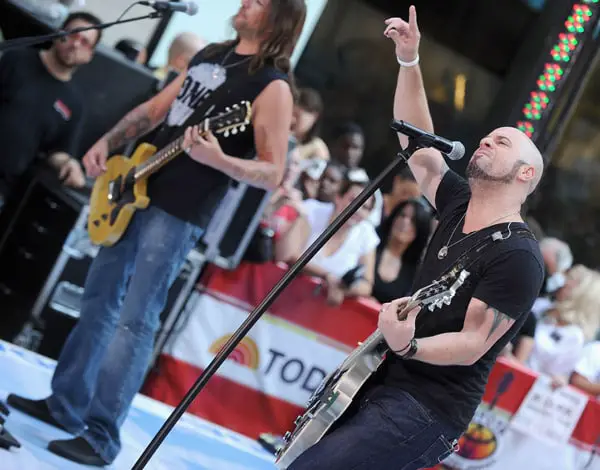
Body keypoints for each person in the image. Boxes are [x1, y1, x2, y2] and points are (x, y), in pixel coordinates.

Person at [7, 0, 306, 466]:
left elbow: (272, 171)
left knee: (135, 318)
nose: (246, 2)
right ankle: (66, 404)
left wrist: (220, 160)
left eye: (260, 1)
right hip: (136, 185)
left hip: (180, 210)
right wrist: (108, 142)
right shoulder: (212, 54)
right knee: (98, 299)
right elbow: (155, 110)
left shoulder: (272, 87)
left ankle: (101, 435)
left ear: (279, 19)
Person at [287, 6, 545, 469]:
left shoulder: (519, 255)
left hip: (428, 408)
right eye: (487, 137)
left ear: (525, 174)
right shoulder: (459, 203)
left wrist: (409, 345)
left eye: (501, 142)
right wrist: (409, 60)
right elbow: (419, 146)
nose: (486, 141)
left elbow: (473, 343)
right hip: (384, 376)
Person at [0, 12, 99, 202]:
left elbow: (59, 150)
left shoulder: (74, 104)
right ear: (58, 33)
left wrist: (69, 163)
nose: (75, 44)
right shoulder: (15, 59)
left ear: (90, 55)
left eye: (85, 42)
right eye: (73, 34)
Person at [275, 177, 379, 306]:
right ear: (338, 197)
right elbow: (288, 255)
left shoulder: (367, 235)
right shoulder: (312, 210)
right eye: (353, 200)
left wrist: (341, 288)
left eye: (365, 207)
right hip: (283, 293)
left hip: (319, 309)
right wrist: (327, 276)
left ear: (369, 214)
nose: (358, 209)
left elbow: (367, 285)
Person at [371, 199, 431, 303]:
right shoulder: (371, 243)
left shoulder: (416, 273)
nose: (405, 222)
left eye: (413, 221)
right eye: (402, 215)